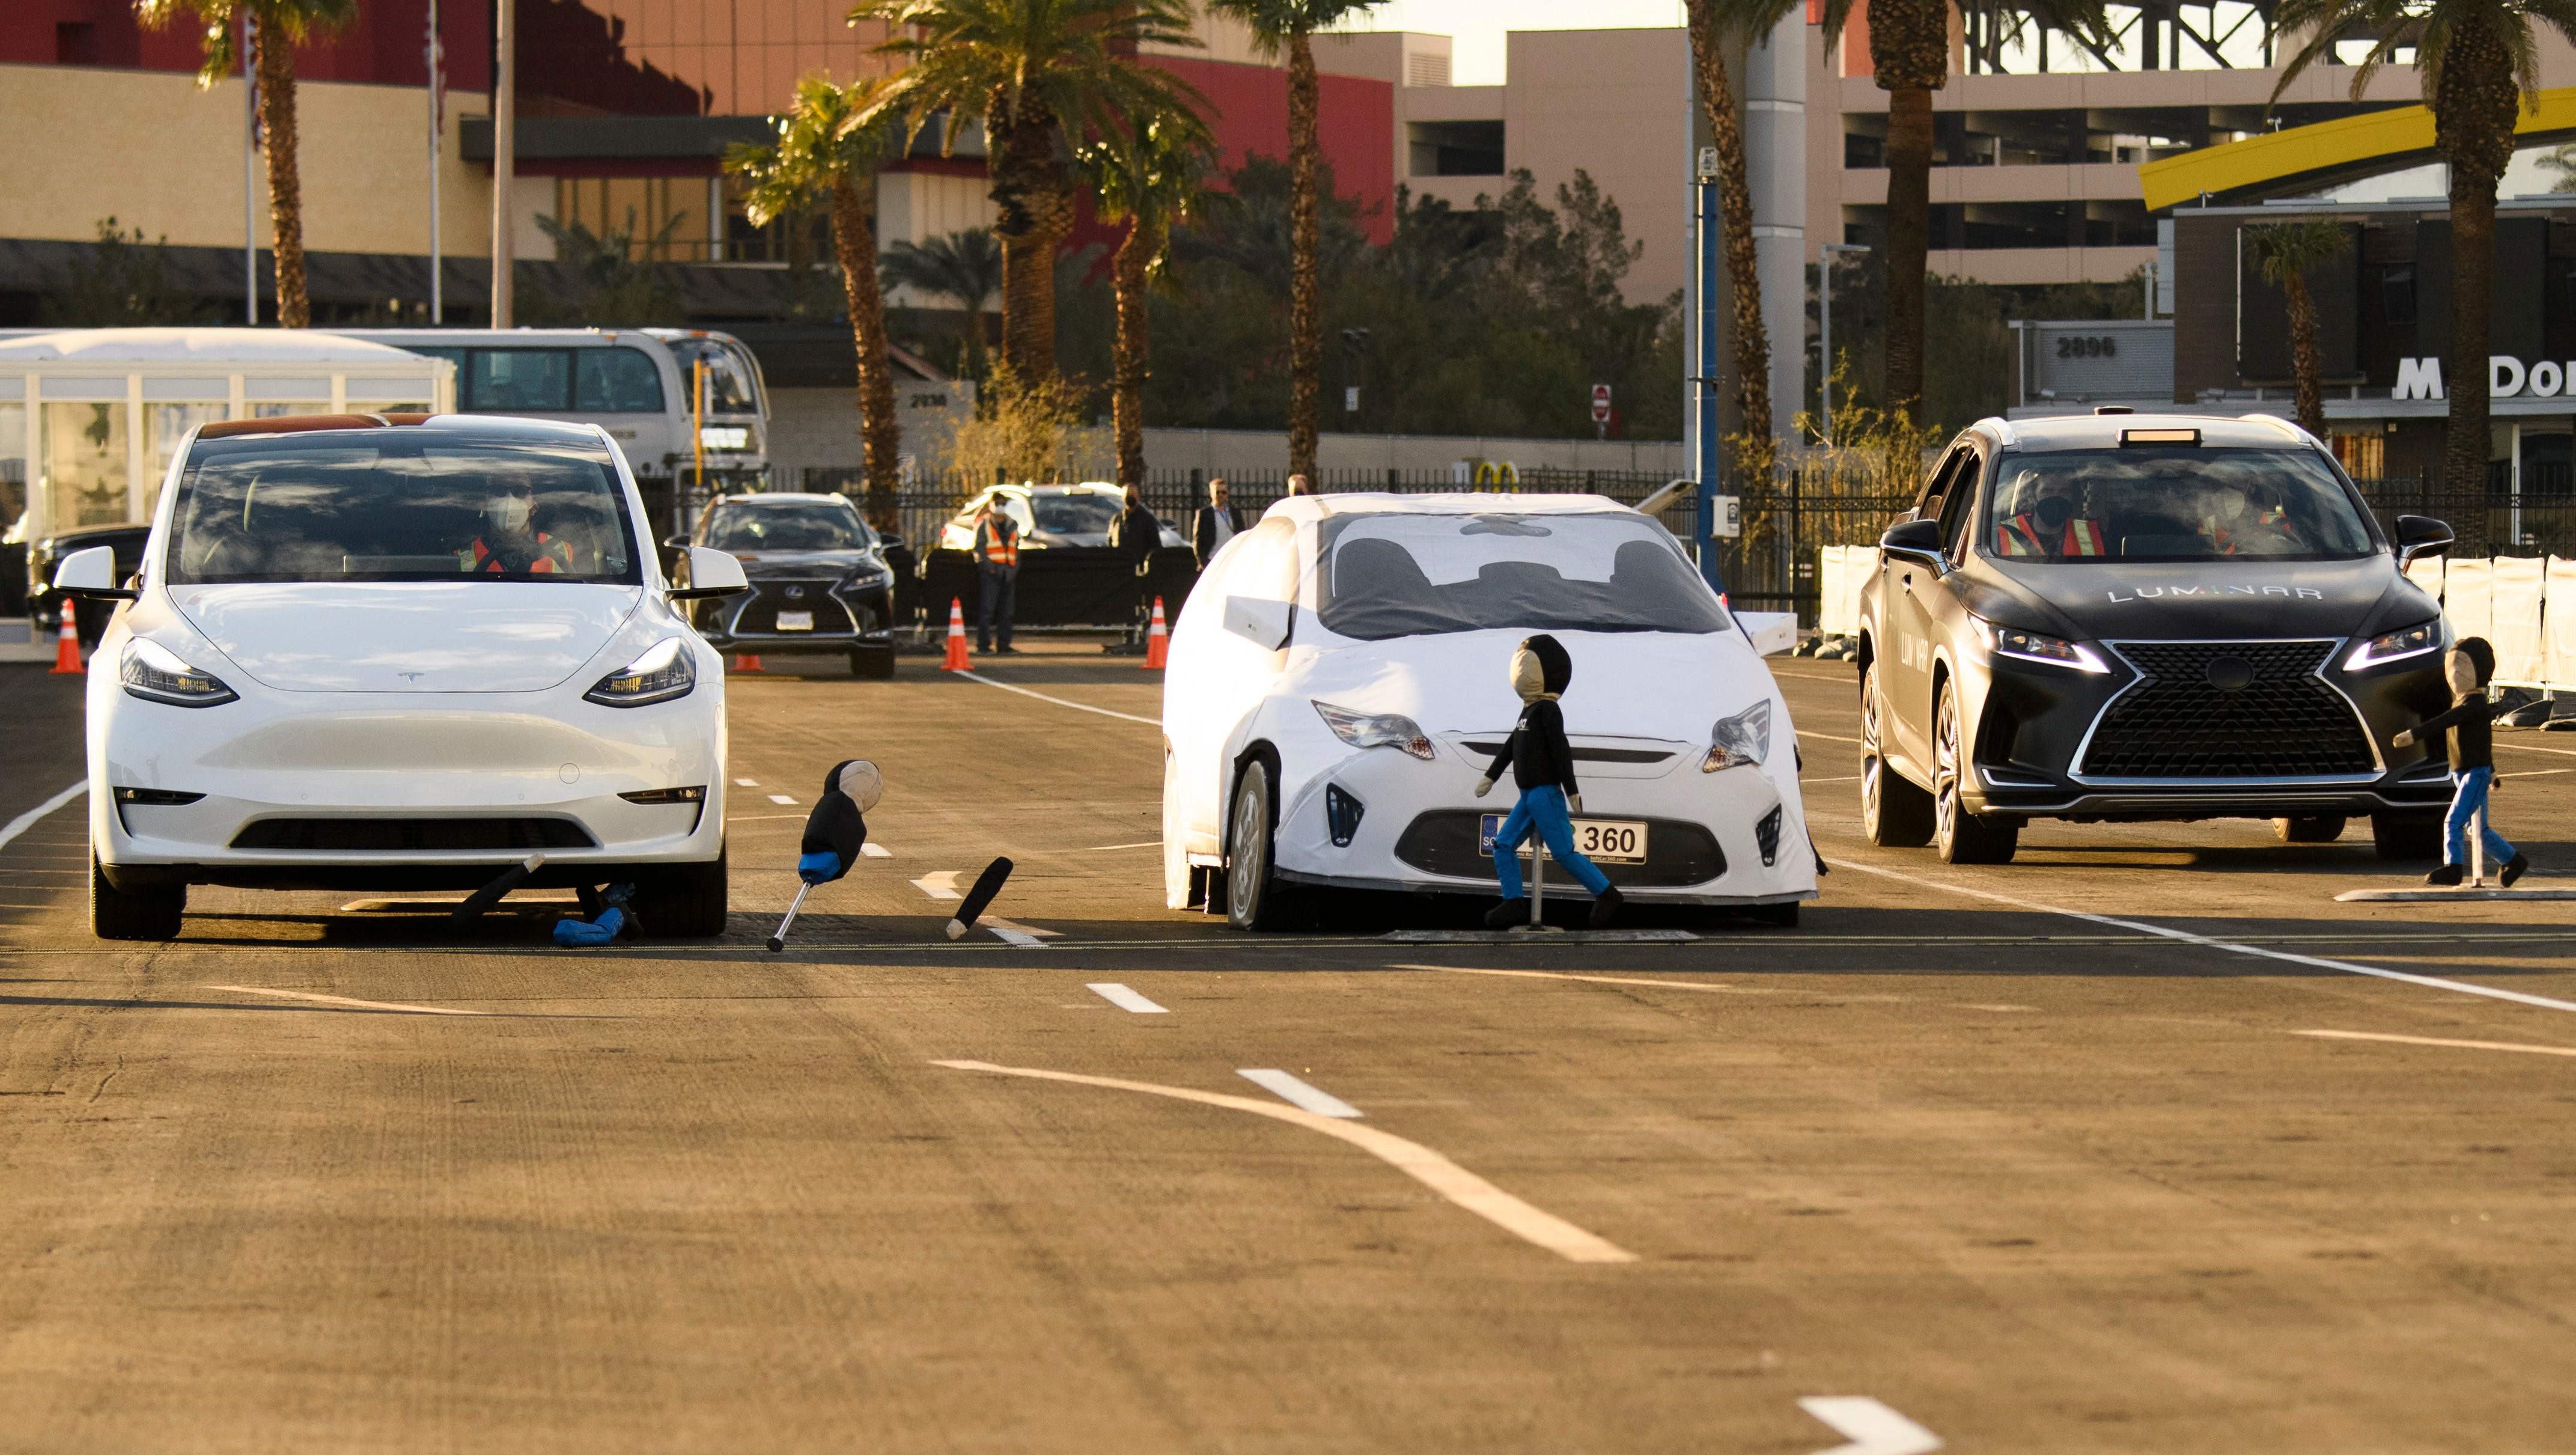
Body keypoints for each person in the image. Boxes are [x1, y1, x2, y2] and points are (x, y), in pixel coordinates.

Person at [1472, 633, 1621, 929]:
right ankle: (1513, 901)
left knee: (1563, 851)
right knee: (1503, 845)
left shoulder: (1549, 710)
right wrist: (1491, 775)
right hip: (1528, 795)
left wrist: (1572, 790)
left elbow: (1560, 750)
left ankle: (1607, 894)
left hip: (1546, 793)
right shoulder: (1527, 711)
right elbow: (1511, 746)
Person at [2393, 636, 2528, 887]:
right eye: (2451, 669)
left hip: (2475, 773)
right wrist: (2494, 774)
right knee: (2478, 828)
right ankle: (2513, 861)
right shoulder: (2462, 703)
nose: (2453, 675)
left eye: (2460, 668)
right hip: (2466, 771)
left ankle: (2453, 867)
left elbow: (2444, 721)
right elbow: (2481, 743)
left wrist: (2413, 735)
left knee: (2453, 821)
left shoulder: (2474, 706)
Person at [466, 478, 574, 574]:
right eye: (498, 490)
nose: (508, 500)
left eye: (520, 491)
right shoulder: (462, 556)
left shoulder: (564, 551)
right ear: (485, 504)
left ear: (534, 506)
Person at [1991, 474, 2106, 558]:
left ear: (2071, 497)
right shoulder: (2001, 534)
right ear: (2032, 497)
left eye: (2064, 492)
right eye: (2047, 491)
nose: (2056, 497)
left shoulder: (2091, 533)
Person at [1107, 483, 1163, 644]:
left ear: (1139, 497)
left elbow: (1155, 547)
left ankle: (1138, 635)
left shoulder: (1147, 520)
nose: (1130, 498)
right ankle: (1127, 635)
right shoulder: (1117, 520)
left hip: (1140, 572)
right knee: (1125, 604)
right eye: (1127, 495)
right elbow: (1110, 543)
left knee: (1139, 604)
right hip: (1122, 571)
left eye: (1133, 494)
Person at [972, 495, 1020, 654]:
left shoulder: (1012, 525)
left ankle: (1004, 645)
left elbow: (1016, 550)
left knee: (1007, 612)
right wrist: (989, 567)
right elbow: (979, 548)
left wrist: (1013, 569)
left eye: (1003, 504)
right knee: (987, 610)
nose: (1000, 507)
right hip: (991, 573)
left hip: (1008, 573)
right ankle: (983, 645)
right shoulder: (984, 525)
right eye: (997, 504)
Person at [2198, 480, 2296, 555]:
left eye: (2239, 484)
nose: (2230, 490)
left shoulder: (2273, 520)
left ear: (2251, 488)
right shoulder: (2208, 523)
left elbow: (2290, 545)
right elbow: (2201, 555)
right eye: (2226, 484)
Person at [1193, 477, 1247, 569]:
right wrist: (1202, 562)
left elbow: (1242, 534)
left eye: (1224, 492)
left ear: (1228, 494)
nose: (1221, 495)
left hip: (1233, 559)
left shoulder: (1235, 513)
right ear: (1211, 494)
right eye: (1217, 492)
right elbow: (1198, 540)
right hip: (1212, 560)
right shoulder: (1204, 514)